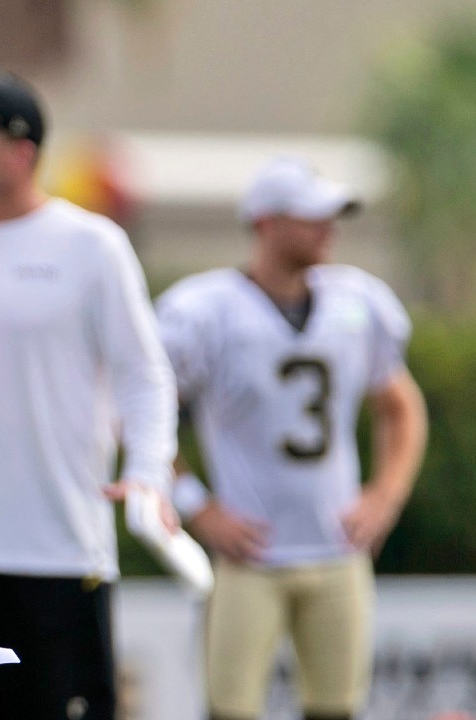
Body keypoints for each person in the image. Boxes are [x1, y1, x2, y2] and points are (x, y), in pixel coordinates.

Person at [0, 72, 180, 720]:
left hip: (56, 552)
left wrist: (146, 473)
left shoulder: (91, 247)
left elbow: (144, 375)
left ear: (23, 150)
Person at [156, 156, 428, 720]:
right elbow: (138, 419)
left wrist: (385, 495)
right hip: (250, 554)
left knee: (337, 708)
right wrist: (197, 508)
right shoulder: (207, 311)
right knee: (231, 709)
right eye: (311, 215)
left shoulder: (358, 302)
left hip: (337, 549)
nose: (328, 227)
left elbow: (400, 407)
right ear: (265, 222)